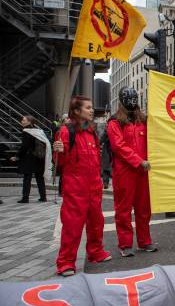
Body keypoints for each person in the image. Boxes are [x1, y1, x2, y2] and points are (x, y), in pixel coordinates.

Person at [53, 96, 112, 276]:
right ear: (77, 111)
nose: (91, 110)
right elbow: (59, 162)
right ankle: (66, 262)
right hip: (75, 186)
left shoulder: (91, 132)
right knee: (72, 225)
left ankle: (96, 252)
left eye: (91, 107)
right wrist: (59, 151)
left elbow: (95, 159)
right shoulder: (65, 131)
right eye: (87, 107)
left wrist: (100, 178)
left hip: (93, 184)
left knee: (96, 222)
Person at [107, 87, 158, 257]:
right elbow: (118, 146)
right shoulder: (115, 122)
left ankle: (144, 241)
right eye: (129, 98)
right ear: (122, 100)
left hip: (143, 171)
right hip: (125, 171)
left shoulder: (143, 120)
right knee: (124, 209)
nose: (132, 100)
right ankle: (125, 244)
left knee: (144, 209)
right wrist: (139, 161)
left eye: (134, 97)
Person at [10, 115, 51, 203]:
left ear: (30, 122)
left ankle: (25, 198)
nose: (22, 121)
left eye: (24, 120)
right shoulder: (39, 131)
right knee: (40, 178)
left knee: (27, 178)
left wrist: (17, 156)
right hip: (40, 158)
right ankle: (43, 197)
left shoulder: (26, 132)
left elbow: (24, 147)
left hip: (29, 158)